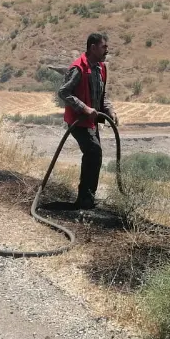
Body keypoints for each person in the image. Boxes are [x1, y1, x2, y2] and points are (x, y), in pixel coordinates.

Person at [57, 33, 118, 209]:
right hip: (78, 121)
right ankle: (84, 199)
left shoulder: (101, 67)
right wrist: (84, 108)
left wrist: (109, 109)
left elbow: (102, 94)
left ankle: (88, 198)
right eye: (103, 47)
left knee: (95, 156)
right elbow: (64, 92)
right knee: (93, 153)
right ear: (93, 47)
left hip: (91, 121)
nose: (107, 50)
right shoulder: (78, 68)